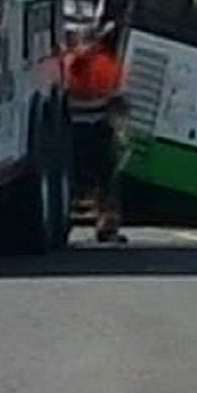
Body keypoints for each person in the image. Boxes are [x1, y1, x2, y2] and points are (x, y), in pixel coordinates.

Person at [65, 20, 127, 243]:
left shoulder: (67, 62)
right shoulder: (105, 63)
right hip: (98, 128)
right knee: (106, 179)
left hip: (72, 129)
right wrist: (121, 126)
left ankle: (65, 219)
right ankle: (107, 225)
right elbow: (117, 99)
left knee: (72, 178)